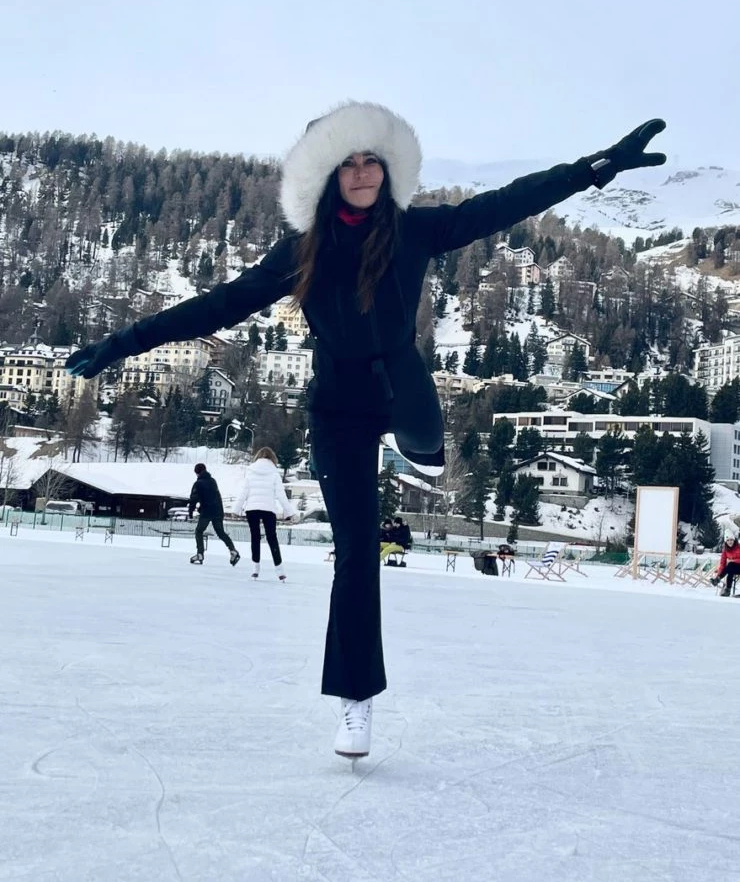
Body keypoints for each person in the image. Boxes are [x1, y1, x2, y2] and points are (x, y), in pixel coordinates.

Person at [65, 101, 666, 759]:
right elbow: (216, 306)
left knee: (426, 441)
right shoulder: (300, 253)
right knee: (356, 552)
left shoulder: (415, 231)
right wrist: (123, 342)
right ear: (326, 176)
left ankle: (422, 451)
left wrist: (592, 169)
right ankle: (356, 700)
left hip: (404, 388)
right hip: (339, 410)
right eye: (347, 163)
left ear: (387, 167)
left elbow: (503, 204)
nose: (361, 172)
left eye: (370, 160)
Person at [234, 447, 295, 581]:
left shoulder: (251, 472)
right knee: (272, 538)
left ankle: (255, 569)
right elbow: (281, 495)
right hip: (268, 509)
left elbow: (244, 492)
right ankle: (280, 571)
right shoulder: (274, 474)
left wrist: (236, 509)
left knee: (255, 537)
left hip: (252, 508)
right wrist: (289, 512)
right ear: (272, 458)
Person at [188, 463, 240, 567]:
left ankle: (200, 554)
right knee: (220, 532)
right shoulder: (213, 481)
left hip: (207, 512)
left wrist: (190, 512)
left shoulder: (198, 484)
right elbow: (214, 497)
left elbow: (193, 499)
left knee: (199, 531)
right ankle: (233, 550)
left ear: (197, 472)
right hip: (218, 511)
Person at [710, 529, 740, 596]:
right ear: (726, 541)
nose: (730, 542)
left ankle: (718, 579)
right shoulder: (725, 551)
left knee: (731, 565)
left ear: (734, 540)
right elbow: (722, 564)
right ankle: (727, 590)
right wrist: (718, 574)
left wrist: (734, 561)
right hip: (733, 568)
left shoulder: (739, 547)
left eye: (731, 540)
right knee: (730, 570)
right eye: (728, 540)